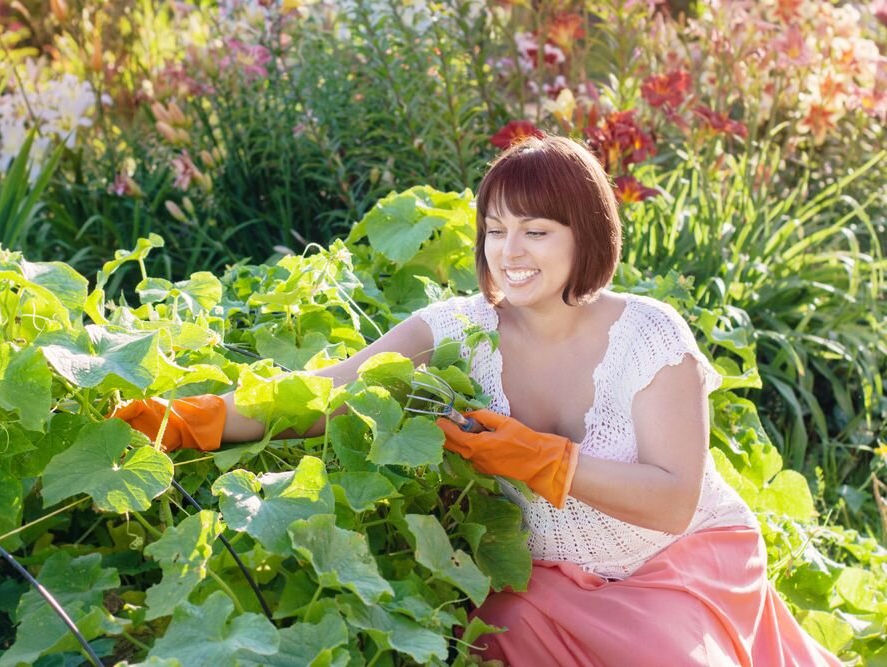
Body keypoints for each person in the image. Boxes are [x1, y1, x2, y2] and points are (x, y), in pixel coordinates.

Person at [114, 135, 842, 666]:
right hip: (546, 578)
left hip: (673, 564)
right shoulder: (460, 329)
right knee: (498, 632)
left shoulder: (649, 334)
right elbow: (327, 393)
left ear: (585, 235)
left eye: (536, 229)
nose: (509, 250)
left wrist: (541, 458)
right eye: (495, 230)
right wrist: (193, 419)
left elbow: (674, 500)